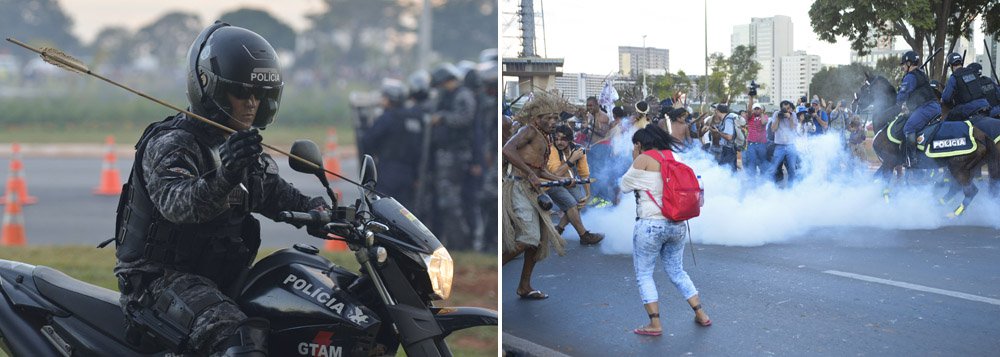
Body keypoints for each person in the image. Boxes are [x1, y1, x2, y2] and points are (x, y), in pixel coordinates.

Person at [111, 22, 331, 356]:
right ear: (208, 86)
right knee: (238, 338)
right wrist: (226, 175)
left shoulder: (238, 145)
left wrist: (318, 210)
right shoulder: (173, 144)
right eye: (241, 92)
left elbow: (272, 192)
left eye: (259, 95)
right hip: (158, 283)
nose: (252, 103)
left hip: (217, 280)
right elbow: (179, 205)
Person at [620, 124, 711, 336]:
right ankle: (701, 314)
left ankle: (655, 324)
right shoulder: (674, 158)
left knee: (644, 274)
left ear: (639, 144)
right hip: (677, 224)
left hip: (650, 225)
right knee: (677, 271)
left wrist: (635, 158)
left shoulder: (643, 158)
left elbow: (624, 185)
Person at [502, 92, 569, 300]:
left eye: (554, 118)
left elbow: (539, 170)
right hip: (518, 187)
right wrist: (530, 174)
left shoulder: (544, 137)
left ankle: (525, 286)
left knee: (538, 242)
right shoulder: (528, 130)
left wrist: (560, 179)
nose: (552, 122)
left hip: (533, 190)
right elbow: (506, 150)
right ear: (536, 118)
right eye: (547, 118)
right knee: (529, 237)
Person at [429, 63, 477, 250]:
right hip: (445, 152)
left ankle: (459, 243)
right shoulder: (446, 96)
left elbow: (465, 118)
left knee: (450, 200)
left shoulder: (463, 95)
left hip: (456, 154)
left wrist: (443, 118)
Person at [361, 79, 423, 209]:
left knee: (385, 210)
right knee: (405, 213)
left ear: (389, 99)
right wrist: (417, 175)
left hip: (388, 170)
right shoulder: (413, 118)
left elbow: (368, 140)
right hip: (409, 173)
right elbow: (419, 149)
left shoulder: (387, 118)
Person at [547, 125, 605, 245]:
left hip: (569, 182)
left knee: (580, 201)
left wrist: (588, 193)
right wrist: (571, 160)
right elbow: (555, 173)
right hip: (552, 183)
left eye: (563, 139)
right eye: (556, 139)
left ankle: (558, 230)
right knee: (571, 205)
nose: (559, 142)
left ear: (569, 139)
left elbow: (584, 173)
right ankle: (584, 235)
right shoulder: (552, 149)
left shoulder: (579, 149)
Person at [896, 50, 942, 167]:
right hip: (933, 107)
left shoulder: (910, 77)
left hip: (926, 108)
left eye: (904, 64)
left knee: (909, 127)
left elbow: (902, 96)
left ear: (909, 63)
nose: (903, 67)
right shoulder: (921, 73)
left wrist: (898, 102)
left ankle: (912, 159)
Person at [941, 52, 992, 121]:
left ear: (950, 65)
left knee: (947, 121)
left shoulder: (954, 77)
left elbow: (946, 98)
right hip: (985, 105)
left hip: (969, 108)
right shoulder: (973, 72)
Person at [766, 109, 799, 185]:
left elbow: (793, 129)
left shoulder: (792, 116)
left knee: (792, 168)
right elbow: (773, 130)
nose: (783, 115)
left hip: (790, 146)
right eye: (782, 113)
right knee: (773, 168)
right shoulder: (775, 119)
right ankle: (770, 186)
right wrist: (778, 118)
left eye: (785, 113)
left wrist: (789, 117)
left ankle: (792, 187)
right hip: (778, 146)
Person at [708, 104, 738, 172]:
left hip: (729, 149)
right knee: (728, 170)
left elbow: (729, 137)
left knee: (726, 170)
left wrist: (718, 132)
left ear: (717, 111)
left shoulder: (728, 120)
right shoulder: (727, 119)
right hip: (729, 149)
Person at [744, 98, 770, 177]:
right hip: (751, 144)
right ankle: (752, 181)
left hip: (762, 144)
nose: (756, 110)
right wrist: (751, 98)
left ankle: (763, 180)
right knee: (752, 162)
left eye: (758, 109)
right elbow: (748, 110)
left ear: (761, 110)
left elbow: (763, 122)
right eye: (755, 109)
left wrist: (762, 113)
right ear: (752, 110)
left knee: (763, 162)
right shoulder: (749, 117)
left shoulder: (765, 116)